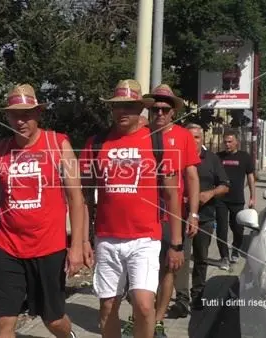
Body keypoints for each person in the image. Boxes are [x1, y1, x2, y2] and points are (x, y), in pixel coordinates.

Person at [80, 79, 186, 338]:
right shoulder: (96, 144)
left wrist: (176, 243)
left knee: (144, 305)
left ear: (140, 108)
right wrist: (83, 240)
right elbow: (84, 196)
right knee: (107, 307)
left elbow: (172, 196)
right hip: (107, 238)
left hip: (145, 238)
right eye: (118, 106)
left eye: (130, 106)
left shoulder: (157, 141)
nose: (123, 111)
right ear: (111, 109)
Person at [0, 84, 84, 338]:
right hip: (6, 247)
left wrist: (78, 245)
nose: (20, 120)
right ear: (7, 117)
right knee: (4, 322)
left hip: (48, 247)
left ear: (38, 114)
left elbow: (76, 198)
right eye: (15, 114)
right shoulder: (0, 150)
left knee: (53, 319)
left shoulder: (58, 144)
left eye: (26, 114)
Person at [140, 84, 201, 337]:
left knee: (169, 269)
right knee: (143, 272)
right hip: (143, 214)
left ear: (173, 112)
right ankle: (143, 316)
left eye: (165, 109)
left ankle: (157, 320)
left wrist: (193, 214)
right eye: (155, 109)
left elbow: (192, 177)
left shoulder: (183, 136)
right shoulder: (139, 134)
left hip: (171, 216)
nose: (160, 113)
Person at [168, 123, 230, 317]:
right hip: (179, 218)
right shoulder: (176, 155)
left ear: (202, 139)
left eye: (197, 137)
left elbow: (225, 185)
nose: (193, 141)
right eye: (190, 137)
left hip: (204, 218)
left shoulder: (212, 159)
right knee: (181, 259)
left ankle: (198, 295)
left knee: (201, 258)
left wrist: (209, 194)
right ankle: (181, 299)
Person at [215, 130, 255, 270]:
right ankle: (224, 257)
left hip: (237, 199)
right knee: (221, 229)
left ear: (236, 142)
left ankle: (236, 250)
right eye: (225, 142)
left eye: (230, 141)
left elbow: (250, 177)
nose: (227, 144)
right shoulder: (218, 157)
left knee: (238, 228)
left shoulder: (244, 157)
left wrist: (252, 196)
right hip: (220, 199)